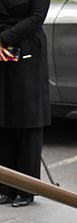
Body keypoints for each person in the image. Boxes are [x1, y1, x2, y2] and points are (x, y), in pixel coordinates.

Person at [0, 0, 49, 207]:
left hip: (27, 49)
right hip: (2, 52)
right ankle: (5, 187)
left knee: (28, 116)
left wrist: (2, 39)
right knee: (3, 116)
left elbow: (36, 18)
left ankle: (26, 189)